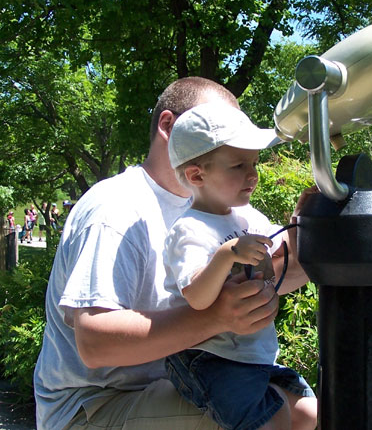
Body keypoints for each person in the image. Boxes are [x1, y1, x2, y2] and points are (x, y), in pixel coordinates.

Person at [34, 77, 283, 430]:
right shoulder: (116, 209)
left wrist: (315, 225)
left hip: (171, 383)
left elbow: (278, 263)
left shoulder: (217, 209)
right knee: (263, 421)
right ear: (169, 125)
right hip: (91, 406)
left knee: (300, 411)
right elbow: (94, 343)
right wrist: (217, 318)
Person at [163, 103, 318, 430]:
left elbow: (283, 254)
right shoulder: (189, 229)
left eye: (254, 163)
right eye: (238, 165)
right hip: (209, 360)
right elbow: (197, 296)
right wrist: (226, 254)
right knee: (273, 420)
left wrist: (299, 220)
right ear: (197, 175)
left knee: (310, 414)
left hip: (254, 356)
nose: (253, 174)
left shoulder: (249, 218)